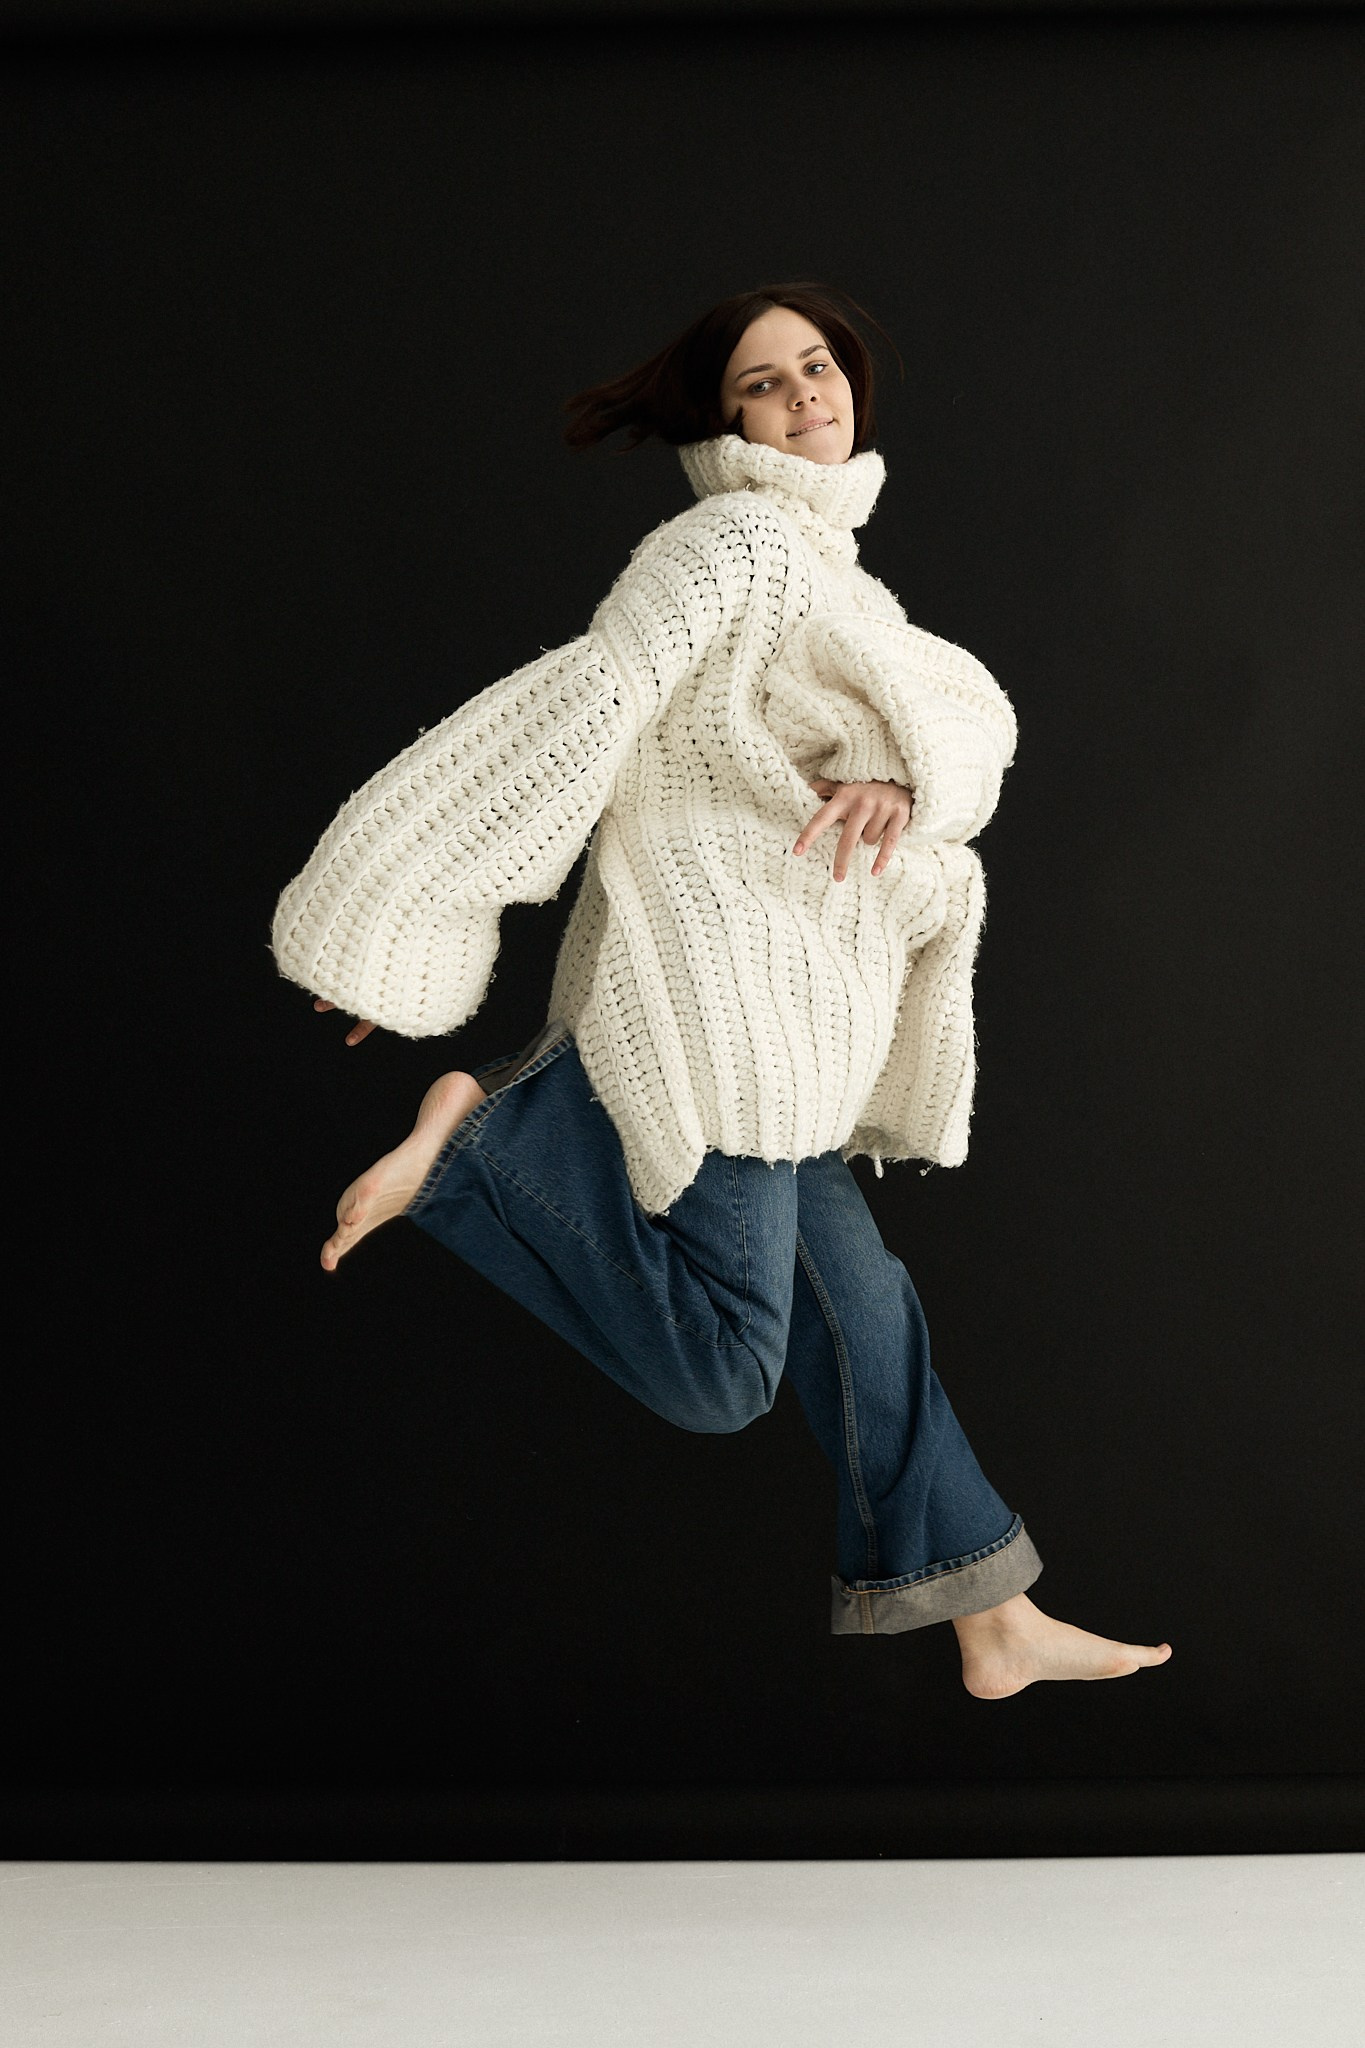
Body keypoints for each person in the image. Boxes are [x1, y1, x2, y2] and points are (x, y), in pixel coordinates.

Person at [271, 280, 1172, 1697]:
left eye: (817, 366)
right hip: (724, 994)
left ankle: (987, 1616)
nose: (806, 395)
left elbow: (962, 718)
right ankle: (476, 1150)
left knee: (866, 1323)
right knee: (721, 1377)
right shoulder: (731, 542)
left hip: (801, 998)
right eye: (764, 383)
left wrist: (897, 777)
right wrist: (403, 898)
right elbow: (586, 707)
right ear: (722, 420)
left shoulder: (832, 574)